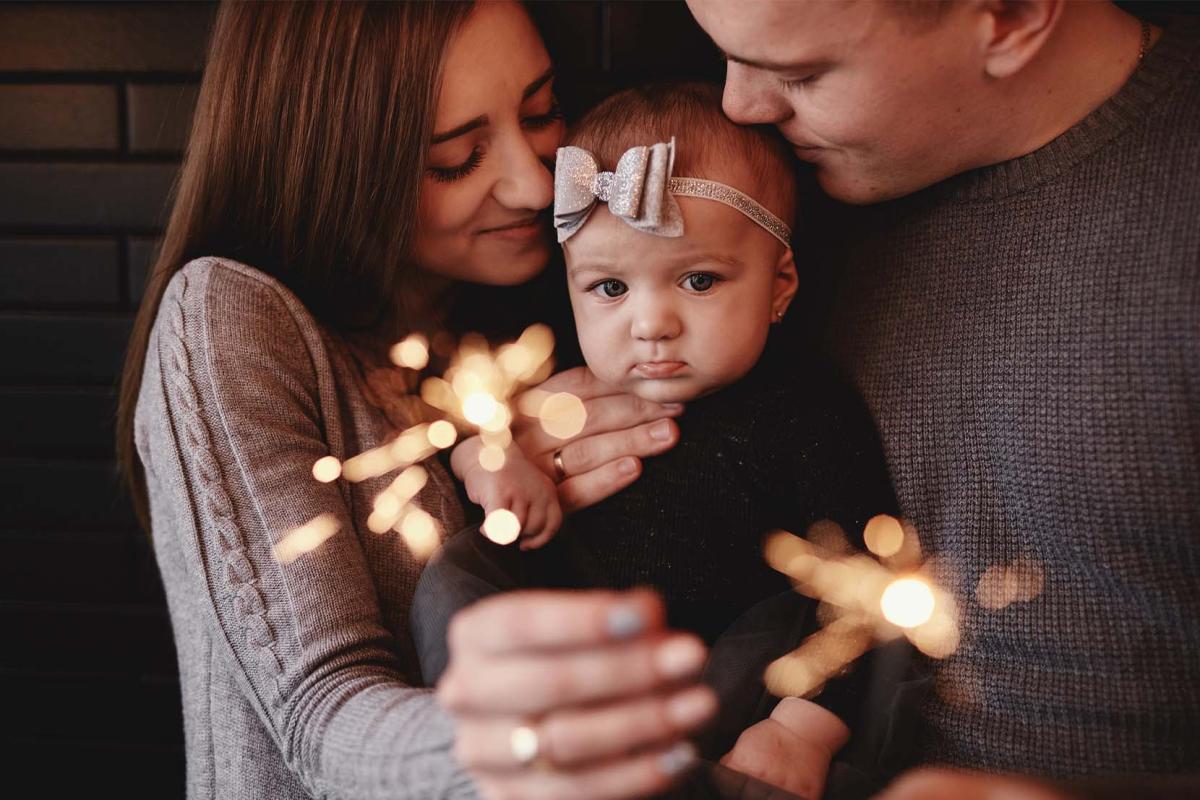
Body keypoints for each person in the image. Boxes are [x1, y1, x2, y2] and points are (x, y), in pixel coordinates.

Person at [439, 1, 1199, 799]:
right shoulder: (789, 175)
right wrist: (514, 449)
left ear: (1008, 16)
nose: (740, 107)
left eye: (799, 71)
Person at [115, 2, 707, 798]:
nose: (537, 183)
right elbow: (319, 718)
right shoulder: (230, 316)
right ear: (332, 160)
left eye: (541, 113)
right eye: (458, 159)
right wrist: (515, 746)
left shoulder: (553, 310)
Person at [415, 82, 900, 799]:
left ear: (779, 285)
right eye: (609, 288)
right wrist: (491, 456)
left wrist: (803, 727)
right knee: (458, 568)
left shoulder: (807, 410)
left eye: (698, 280)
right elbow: (465, 417)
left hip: (729, 674)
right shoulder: (549, 376)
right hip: (563, 650)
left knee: (796, 639)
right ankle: (482, 735)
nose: (650, 323)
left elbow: (864, 584)